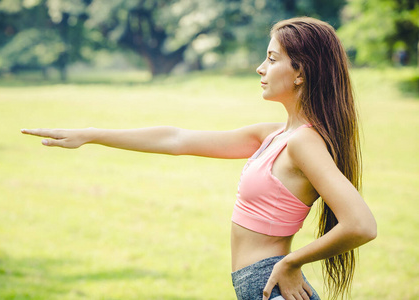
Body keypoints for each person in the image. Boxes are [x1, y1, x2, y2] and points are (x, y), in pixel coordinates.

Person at [21, 17, 377, 300]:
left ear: (301, 72)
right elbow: (177, 139)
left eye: (271, 58)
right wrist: (92, 135)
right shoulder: (272, 136)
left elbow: (361, 224)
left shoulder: (304, 143)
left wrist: (292, 261)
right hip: (257, 284)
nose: (260, 68)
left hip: (270, 286)